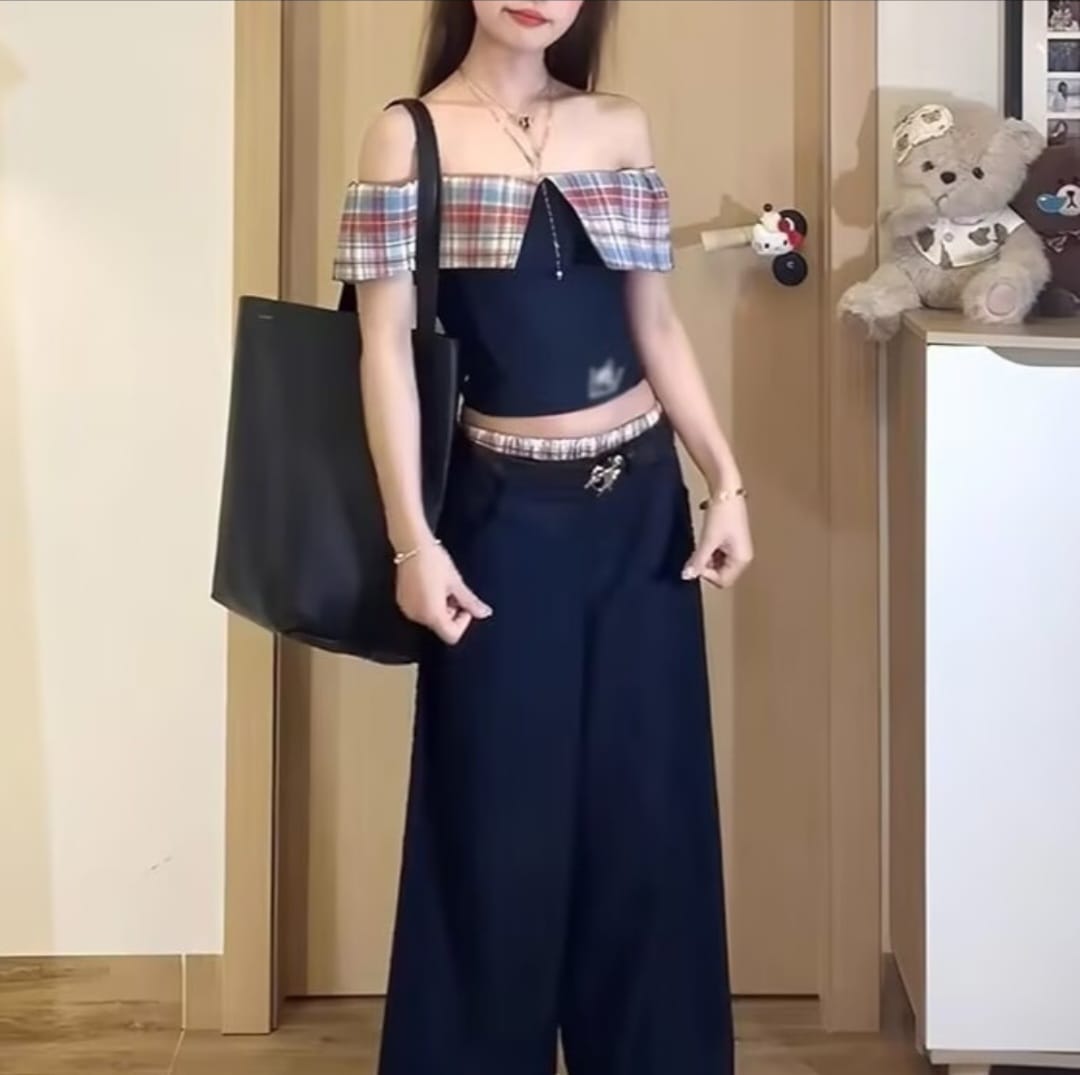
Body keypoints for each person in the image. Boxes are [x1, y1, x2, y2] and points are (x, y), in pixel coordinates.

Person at [333, 2, 751, 1072]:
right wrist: (413, 543)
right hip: (496, 523)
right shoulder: (407, 135)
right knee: (492, 826)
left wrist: (726, 478)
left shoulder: (620, 126)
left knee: (645, 819)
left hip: (642, 512)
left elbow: (654, 323)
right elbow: (383, 351)